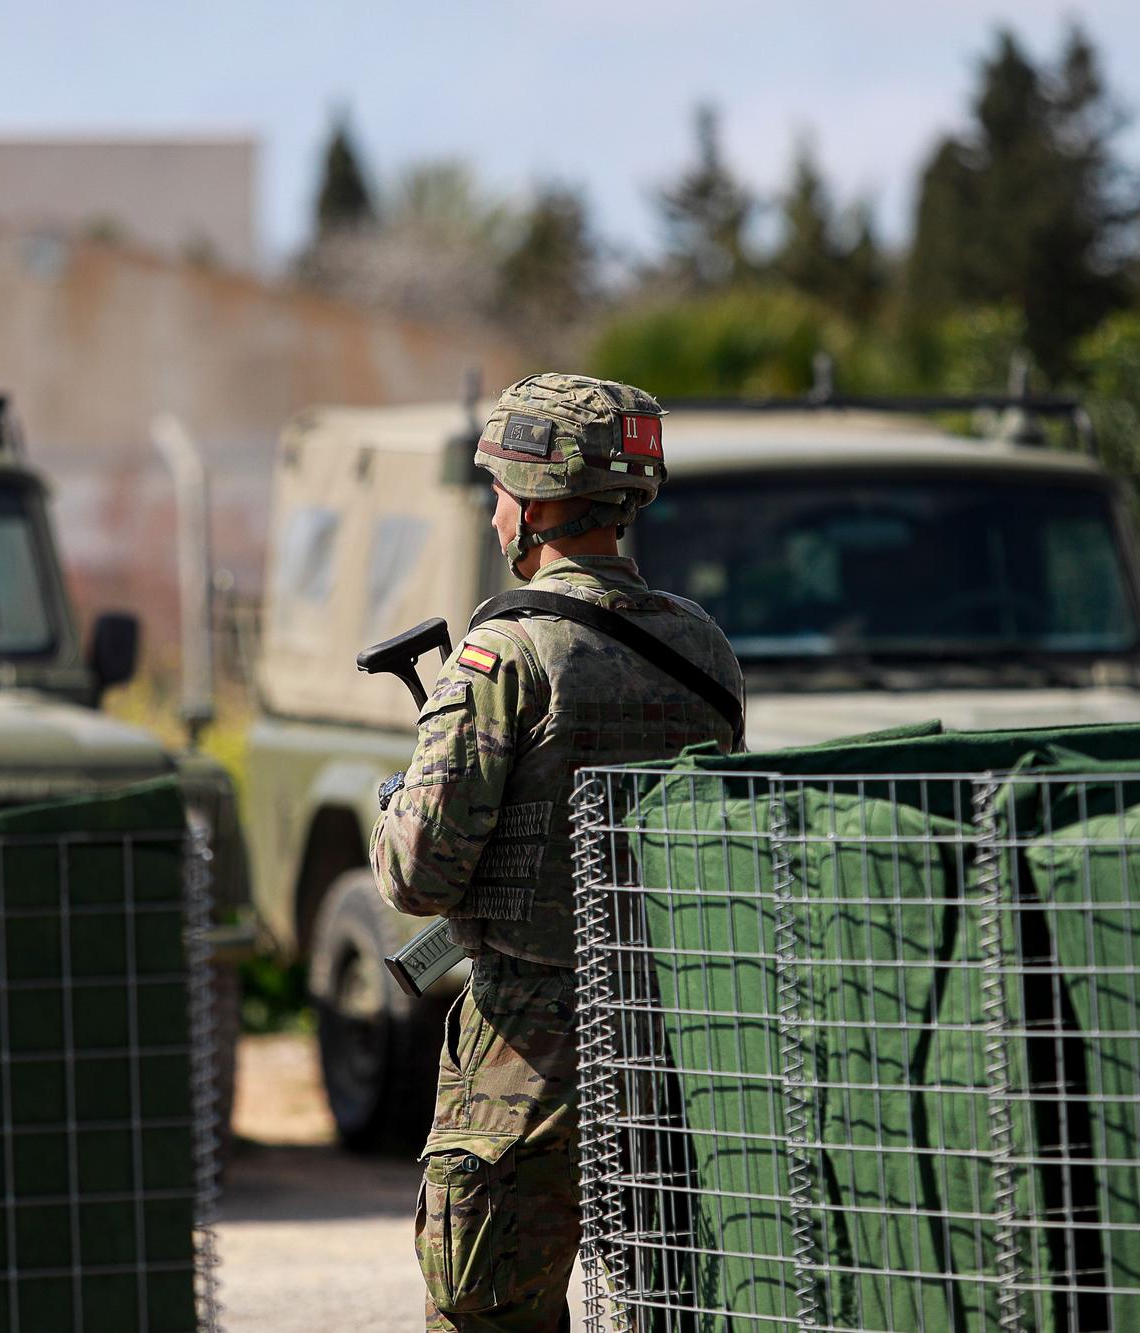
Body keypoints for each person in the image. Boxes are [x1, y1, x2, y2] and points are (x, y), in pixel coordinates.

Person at [371, 372, 744, 1332]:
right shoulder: (703, 647)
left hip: (528, 1050)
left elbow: (417, 878)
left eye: (498, 487)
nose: (493, 507)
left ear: (536, 505)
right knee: (672, 1306)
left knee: (488, 1309)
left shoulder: (508, 657)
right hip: (675, 1034)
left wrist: (395, 809)